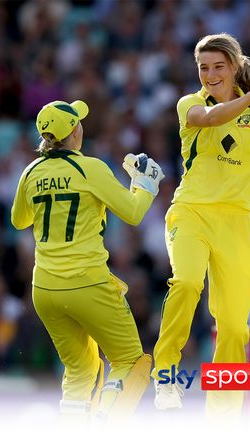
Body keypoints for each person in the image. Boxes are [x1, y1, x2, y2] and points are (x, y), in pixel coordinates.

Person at [152, 33, 250, 416]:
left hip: (237, 221)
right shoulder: (190, 104)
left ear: (232, 67)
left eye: (218, 66)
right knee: (187, 282)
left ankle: (224, 415)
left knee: (233, 327)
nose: (210, 75)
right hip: (192, 212)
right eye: (203, 68)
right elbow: (211, 117)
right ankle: (165, 377)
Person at [11, 99, 165, 425]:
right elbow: (134, 213)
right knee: (130, 361)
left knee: (80, 371)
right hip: (87, 283)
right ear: (75, 131)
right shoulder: (90, 168)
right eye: (78, 121)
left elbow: (19, 220)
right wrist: (146, 183)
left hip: (44, 289)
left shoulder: (31, 172)